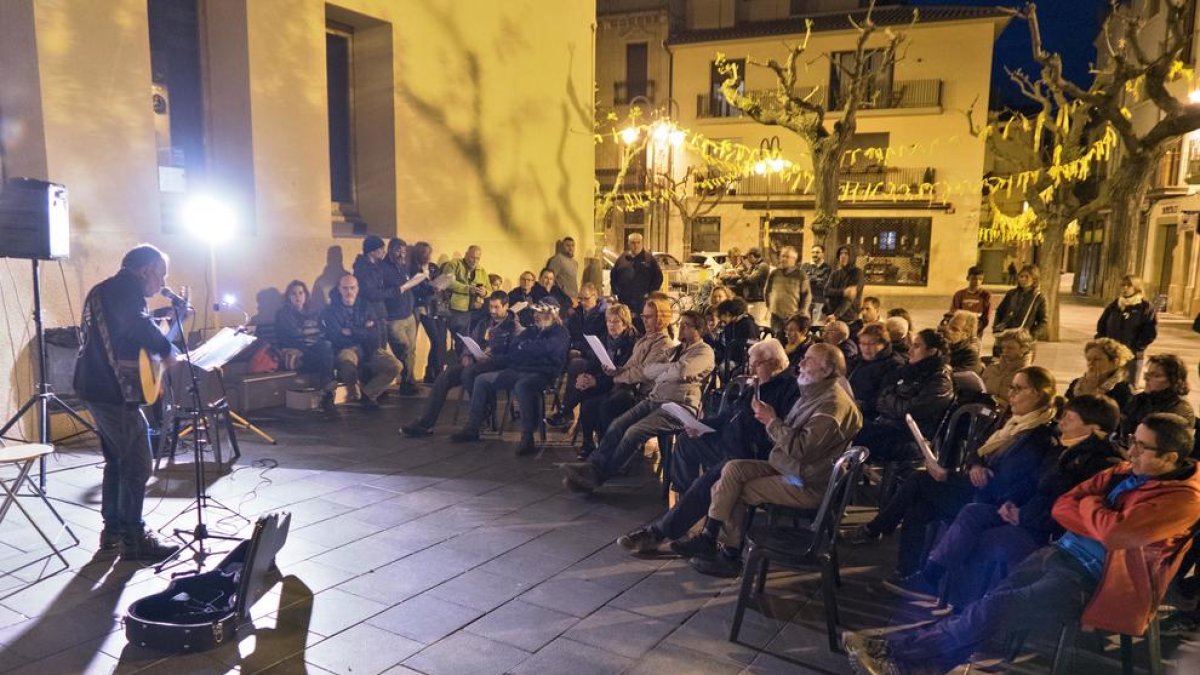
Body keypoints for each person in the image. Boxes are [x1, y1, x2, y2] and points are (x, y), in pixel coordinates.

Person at [845, 413, 1200, 674]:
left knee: (995, 608)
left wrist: (1093, 506)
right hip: (1061, 554)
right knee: (986, 602)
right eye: (1133, 440)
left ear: (1170, 458)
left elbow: (1113, 533)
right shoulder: (1126, 472)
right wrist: (1100, 513)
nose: (1131, 450)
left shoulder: (1184, 499)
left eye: (1142, 446)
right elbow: (1064, 505)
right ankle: (910, 660)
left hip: (1099, 581)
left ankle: (900, 654)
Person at [883, 394, 1124, 607]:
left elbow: (1068, 506)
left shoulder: (1098, 463)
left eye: (1069, 420)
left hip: (1050, 532)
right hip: (1025, 513)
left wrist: (1023, 515)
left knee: (981, 538)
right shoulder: (1065, 449)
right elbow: (1033, 485)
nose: (1061, 423)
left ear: (1094, 429)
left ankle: (964, 608)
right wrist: (1012, 505)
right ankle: (931, 580)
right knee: (971, 513)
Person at [669, 344, 864, 577]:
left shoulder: (832, 406)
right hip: (788, 467)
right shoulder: (816, 391)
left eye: (808, 361)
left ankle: (729, 555)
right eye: (803, 358)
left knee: (734, 488)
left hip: (805, 482)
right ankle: (709, 538)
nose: (800, 364)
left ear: (827, 370)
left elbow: (801, 449)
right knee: (732, 469)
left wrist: (771, 421)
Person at [847, 367, 1059, 580]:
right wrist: (976, 465)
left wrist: (950, 476)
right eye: (1011, 387)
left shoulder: (1039, 436)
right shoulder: (1010, 421)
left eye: (1019, 388)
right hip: (974, 487)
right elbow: (977, 449)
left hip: (991, 501)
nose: (1011, 393)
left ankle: (879, 530)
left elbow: (1008, 481)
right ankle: (908, 573)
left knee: (919, 481)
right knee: (918, 507)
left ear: (1038, 394)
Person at [74, 244, 182, 561]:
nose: (162, 283)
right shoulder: (125, 288)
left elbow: (126, 334)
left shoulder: (107, 289)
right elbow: (136, 324)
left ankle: (113, 533)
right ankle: (134, 540)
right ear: (145, 270)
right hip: (111, 391)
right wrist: (165, 348)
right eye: (161, 274)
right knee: (137, 463)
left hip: (98, 387)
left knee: (118, 461)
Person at [560, 310, 715, 493]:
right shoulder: (675, 350)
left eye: (686, 325)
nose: (680, 327)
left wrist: (662, 370)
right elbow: (648, 369)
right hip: (655, 398)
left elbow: (681, 371)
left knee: (634, 432)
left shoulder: (704, 352)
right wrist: (661, 369)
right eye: (680, 323)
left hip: (679, 405)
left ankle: (598, 476)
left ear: (699, 330)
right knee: (618, 424)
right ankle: (593, 466)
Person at [667, 338, 801, 493]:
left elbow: (777, 433)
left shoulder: (789, 389)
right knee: (686, 439)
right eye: (751, 365)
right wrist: (702, 426)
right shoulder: (759, 383)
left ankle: (699, 497)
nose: (751, 371)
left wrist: (765, 419)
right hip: (729, 441)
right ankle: (684, 493)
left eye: (756, 365)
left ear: (774, 362)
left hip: (749, 451)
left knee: (710, 478)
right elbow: (728, 414)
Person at [450, 299, 570, 455]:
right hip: (519, 368)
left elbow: (548, 350)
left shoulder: (560, 332)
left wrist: (527, 348)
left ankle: (527, 437)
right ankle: (473, 427)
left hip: (542, 373)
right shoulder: (531, 331)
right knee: (482, 380)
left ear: (551, 315)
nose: (536, 316)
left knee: (523, 385)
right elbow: (515, 347)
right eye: (536, 312)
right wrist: (528, 349)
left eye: (540, 313)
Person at [400, 291, 520, 437]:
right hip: (477, 361)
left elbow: (513, 356)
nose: (493, 311)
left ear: (506, 306)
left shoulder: (513, 327)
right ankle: (426, 423)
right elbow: (471, 342)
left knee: (469, 373)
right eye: (491, 307)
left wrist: (490, 359)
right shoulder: (484, 322)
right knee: (446, 375)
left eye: (497, 307)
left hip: (497, 365)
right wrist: (466, 355)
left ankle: (481, 418)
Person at [853, 328, 954, 464]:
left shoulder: (939, 380)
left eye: (917, 346)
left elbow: (910, 412)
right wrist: (893, 402)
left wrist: (890, 401)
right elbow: (882, 397)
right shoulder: (909, 371)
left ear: (932, 351)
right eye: (912, 345)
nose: (910, 350)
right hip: (887, 427)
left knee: (852, 431)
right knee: (849, 426)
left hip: (910, 438)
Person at [546, 303, 638, 442]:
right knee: (584, 388)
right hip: (603, 379)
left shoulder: (632, 342)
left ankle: (564, 412)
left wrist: (595, 380)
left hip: (620, 384)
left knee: (590, 398)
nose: (611, 325)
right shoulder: (604, 337)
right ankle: (587, 444)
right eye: (609, 321)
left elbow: (623, 372)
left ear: (625, 324)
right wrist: (586, 376)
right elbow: (595, 362)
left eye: (616, 321)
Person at [321, 274, 401, 408]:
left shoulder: (366, 306)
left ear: (357, 289)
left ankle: (369, 393)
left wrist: (351, 331)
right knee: (348, 367)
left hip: (369, 348)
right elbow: (337, 337)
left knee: (395, 366)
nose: (349, 292)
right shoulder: (331, 311)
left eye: (352, 288)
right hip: (346, 348)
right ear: (339, 289)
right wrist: (364, 329)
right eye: (345, 288)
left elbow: (375, 332)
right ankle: (360, 393)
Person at [275, 280, 337, 413]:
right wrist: (307, 351)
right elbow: (292, 338)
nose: (298, 296)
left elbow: (322, 332)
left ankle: (327, 394)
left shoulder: (313, 312)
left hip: (315, 347)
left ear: (305, 295)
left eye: (300, 293)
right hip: (297, 350)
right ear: (288, 297)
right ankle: (328, 396)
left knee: (327, 346)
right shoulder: (284, 314)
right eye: (293, 293)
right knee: (326, 361)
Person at [1096, 274, 1157, 387]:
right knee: (1106, 386)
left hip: (1132, 356)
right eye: (1122, 285)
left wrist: (1137, 348)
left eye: (1128, 285)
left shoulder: (1145, 307)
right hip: (1111, 354)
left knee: (1128, 388)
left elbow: (1149, 332)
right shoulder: (1115, 305)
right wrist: (1103, 344)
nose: (1124, 288)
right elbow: (1102, 325)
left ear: (1136, 287)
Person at [1120, 353, 1196, 439]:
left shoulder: (1180, 409)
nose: (1146, 378)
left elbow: (1164, 444)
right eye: (1147, 374)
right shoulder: (1140, 399)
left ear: (1174, 380)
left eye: (1156, 375)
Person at [381, 238, 419, 395]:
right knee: (404, 350)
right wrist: (398, 289)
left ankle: (408, 382)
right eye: (398, 250)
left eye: (404, 251)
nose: (401, 254)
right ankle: (408, 381)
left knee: (411, 350)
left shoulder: (403, 266)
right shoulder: (382, 269)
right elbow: (382, 293)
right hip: (394, 318)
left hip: (408, 315)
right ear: (390, 250)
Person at [849, 322, 904, 421]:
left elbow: (885, 397)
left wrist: (863, 405)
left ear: (883, 344)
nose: (866, 348)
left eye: (871, 343)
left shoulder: (893, 365)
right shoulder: (858, 361)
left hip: (870, 416)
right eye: (862, 343)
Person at [1065, 338, 1134, 412]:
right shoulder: (1076, 384)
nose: (1091, 363)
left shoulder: (1122, 390)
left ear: (1115, 362)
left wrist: (1090, 393)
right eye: (1088, 359)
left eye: (1097, 359)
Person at [409, 241, 445, 383]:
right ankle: (432, 374)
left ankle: (431, 374)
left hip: (436, 307)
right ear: (418, 254)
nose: (428, 256)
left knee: (438, 342)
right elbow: (414, 289)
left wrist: (441, 284)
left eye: (429, 253)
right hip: (422, 308)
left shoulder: (432, 267)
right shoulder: (413, 269)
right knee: (436, 341)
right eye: (425, 253)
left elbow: (438, 280)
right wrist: (431, 289)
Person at [442, 245, 489, 352]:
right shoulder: (454, 264)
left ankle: (463, 364)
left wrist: (484, 292)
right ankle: (456, 364)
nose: (474, 261)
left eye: (477, 258)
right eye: (472, 257)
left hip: (475, 310)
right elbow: (447, 282)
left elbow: (489, 289)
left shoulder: (481, 270)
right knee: (459, 342)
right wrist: (467, 289)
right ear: (466, 254)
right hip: (456, 310)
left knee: (469, 343)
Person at [610, 232, 663, 316]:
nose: (636, 245)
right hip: (624, 301)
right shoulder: (622, 258)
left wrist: (650, 293)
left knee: (641, 325)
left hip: (642, 302)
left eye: (638, 242)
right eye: (633, 243)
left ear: (642, 243)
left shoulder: (649, 259)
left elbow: (658, 278)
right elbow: (613, 276)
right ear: (628, 244)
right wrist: (616, 292)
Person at [763, 245, 811, 337]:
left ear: (794, 259)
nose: (783, 259)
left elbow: (806, 296)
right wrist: (769, 306)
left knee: (791, 341)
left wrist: (801, 312)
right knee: (776, 340)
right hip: (776, 316)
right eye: (782, 256)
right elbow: (767, 291)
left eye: (787, 257)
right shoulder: (774, 273)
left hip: (793, 317)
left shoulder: (801, 275)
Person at [992, 264, 1047, 341]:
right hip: (1005, 334)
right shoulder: (1011, 294)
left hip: (1023, 338)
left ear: (1034, 279)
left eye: (1027, 277)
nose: (1023, 279)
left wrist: (1032, 335)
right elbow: (999, 312)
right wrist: (996, 327)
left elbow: (1043, 321)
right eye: (1021, 276)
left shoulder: (1039, 297)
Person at [352, 235, 390, 345]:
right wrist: (394, 292)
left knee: (382, 349)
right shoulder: (362, 269)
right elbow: (371, 294)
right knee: (376, 351)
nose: (384, 252)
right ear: (372, 251)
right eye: (381, 249)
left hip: (380, 314)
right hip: (372, 315)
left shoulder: (377, 266)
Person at [981, 328, 1033, 406]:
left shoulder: (1028, 375)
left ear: (1024, 349)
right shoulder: (992, 368)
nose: (1005, 351)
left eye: (1010, 348)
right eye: (1003, 347)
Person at [714, 297, 759, 379]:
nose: (721, 321)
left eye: (721, 317)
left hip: (743, 361)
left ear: (727, 314)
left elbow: (751, 343)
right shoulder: (730, 325)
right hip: (730, 357)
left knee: (723, 369)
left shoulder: (747, 324)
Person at [824, 245, 864, 324]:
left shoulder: (857, 273)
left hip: (849, 317)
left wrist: (836, 315)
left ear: (852, 256)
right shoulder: (835, 273)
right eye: (841, 253)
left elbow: (849, 298)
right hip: (832, 315)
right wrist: (843, 292)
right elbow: (826, 291)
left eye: (846, 253)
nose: (843, 256)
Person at [951, 266, 991, 336]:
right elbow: (954, 312)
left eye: (980, 279)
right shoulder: (959, 294)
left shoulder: (986, 295)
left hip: (976, 332)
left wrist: (977, 329)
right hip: (959, 331)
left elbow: (986, 316)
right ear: (968, 278)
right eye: (974, 279)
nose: (977, 282)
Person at [939, 309, 983, 374]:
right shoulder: (942, 346)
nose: (948, 331)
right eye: (949, 326)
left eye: (954, 329)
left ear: (966, 334)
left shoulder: (970, 356)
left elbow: (960, 377)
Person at [741, 248, 770, 326]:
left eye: (749, 257)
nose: (748, 260)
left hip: (759, 298)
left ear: (753, 256)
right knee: (752, 322)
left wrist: (742, 273)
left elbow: (751, 279)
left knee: (757, 322)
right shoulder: (754, 266)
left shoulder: (763, 266)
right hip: (752, 298)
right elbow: (746, 278)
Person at [802, 244, 833, 319]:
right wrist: (816, 278)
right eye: (813, 252)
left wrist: (809, 278)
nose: (814, 254)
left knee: (816, 326)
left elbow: (823, 284)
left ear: (823, 254)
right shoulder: (805, 266)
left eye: (817, 252)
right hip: (805, 301)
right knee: (804, 324)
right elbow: (801, 282)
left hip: (819, 301)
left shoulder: (827, 268)